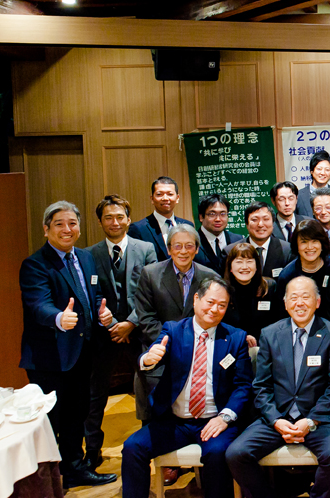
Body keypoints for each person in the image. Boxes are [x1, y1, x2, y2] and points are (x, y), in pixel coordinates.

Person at [121, 278, 253, 498]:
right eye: (210, 302)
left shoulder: (235, 338)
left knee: (217, 453)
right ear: (196, 299)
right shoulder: (173, 330)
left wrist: (224, 418)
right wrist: (148, 359)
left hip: (214, 420)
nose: (215, 309)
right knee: (133, 447)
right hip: (175, 421)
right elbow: (155, 352)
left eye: (222, 305)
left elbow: (243, 385)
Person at [20, 201, 116, 488]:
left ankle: (74, 468)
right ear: (46, 229)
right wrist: (59, 318)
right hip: (49, 358)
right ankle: (48, 481)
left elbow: (94, 293)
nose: (67, 229)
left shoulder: (86, 258)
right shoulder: (35, 264)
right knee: (51, 419)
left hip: (82, 352)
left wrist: (102, 313)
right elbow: (38, 304)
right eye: (59, 224)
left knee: (77, 413)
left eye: (72, 223)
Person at [227, 276, 330, 498]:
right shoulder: (270, 333)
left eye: (305, 297)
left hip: (319, 419)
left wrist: (310, 421)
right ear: (285, 303)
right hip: (278, 417)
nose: (299, 303)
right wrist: (276, 420)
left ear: (317, 302)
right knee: (236, 454)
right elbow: (261, 386)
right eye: (293, 297)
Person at [85, 195, 157, 469]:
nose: (114, 222)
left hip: (140, 330)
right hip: (105, 333)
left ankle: (151, 445)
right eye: (108, 218)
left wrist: (131, 323)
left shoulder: (146, 248)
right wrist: (112, 323)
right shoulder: (89, 254)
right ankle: (92, 449)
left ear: (128, 219)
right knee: (95, 392)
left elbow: (151, 290)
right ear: (100, 221)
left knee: (148, 387)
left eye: (119, 217)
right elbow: (89, 292)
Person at [133, 224, 221, 444]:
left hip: (198, 355)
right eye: (177, 246)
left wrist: (190, 347)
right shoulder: (150, 274)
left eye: (189, 246)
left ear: (197, 249)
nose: (183, 251)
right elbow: (146, 317)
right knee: (155, 419)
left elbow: (213, 316)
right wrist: (174, 344)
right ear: (169, 248)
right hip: (159, 353)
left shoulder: (209, 277)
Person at [223, 242, 285, 347]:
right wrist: (241, 337)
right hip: (232, 346)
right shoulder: (222, 291)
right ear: (230, 267)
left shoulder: (269, 287)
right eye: (239, 262)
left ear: (256, 266)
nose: (244, 267)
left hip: (265, 346)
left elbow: (279, 322)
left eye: (249, 261)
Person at [275, 219, 330, 304]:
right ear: (296, 245)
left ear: (322, 243)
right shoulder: (287, 276)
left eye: (314, 241)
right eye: (304, 242)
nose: (310, 247)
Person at [128, 176, 193, 261]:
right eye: (159, 194)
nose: (165, 198)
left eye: (170, 194)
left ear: (177, 198)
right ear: (152, 199)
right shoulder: (138, 229)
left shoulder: (188, 225)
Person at [226, 202, 293, 280]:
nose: (260, 224)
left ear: (273, 223)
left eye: (266, 219)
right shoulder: (230, 251)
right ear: (247, 224)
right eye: (254, 220)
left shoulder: (287, 250)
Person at [195, 194, 243, 275]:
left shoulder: (238, 240)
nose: (218, 219)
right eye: (212, 214)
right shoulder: (192, 241)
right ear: (201, 217)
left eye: (223, 214)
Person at [296, 150, 330, 217]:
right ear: (311, 171)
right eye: (319, 169)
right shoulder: (298, 196)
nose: (323, 173)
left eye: (327, 170)